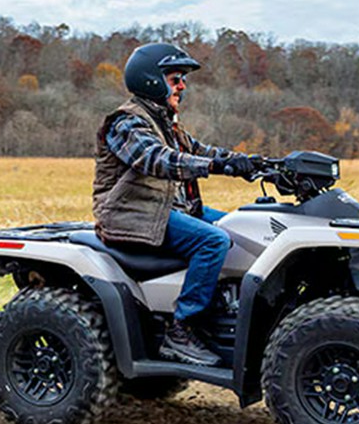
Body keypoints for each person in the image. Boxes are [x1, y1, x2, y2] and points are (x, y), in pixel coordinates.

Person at [93, 42, 261, 366]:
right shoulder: (126, 122)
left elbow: (203, 151)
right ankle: (182, 330)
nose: (182, 86)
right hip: (131, 215)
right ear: (151, 80)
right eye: (175, 78)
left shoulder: (166, 123)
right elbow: (156, 160)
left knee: (243, 227)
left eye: (182, 79)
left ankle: (226, 311)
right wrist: (214, 167)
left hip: (167, 209)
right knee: (214, 241)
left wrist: (253, 163)